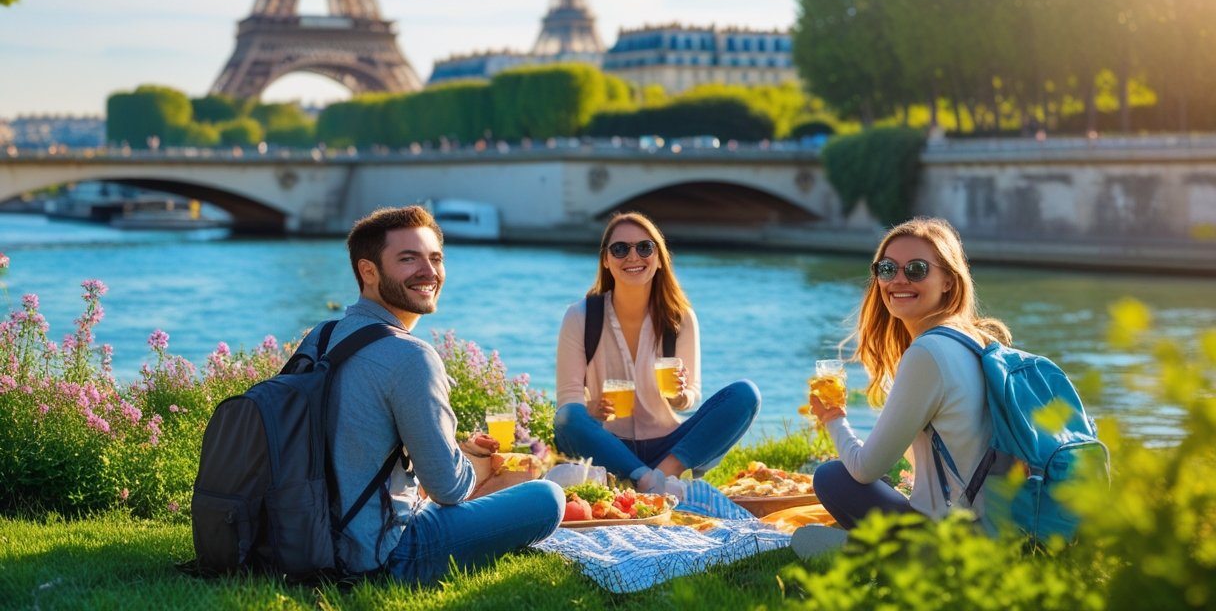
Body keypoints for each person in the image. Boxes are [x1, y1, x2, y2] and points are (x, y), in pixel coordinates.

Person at [295, 205, 563, 584]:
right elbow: (449, 490)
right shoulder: (411, 356)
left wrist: (452, 450)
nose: (429, 272)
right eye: (408, 259)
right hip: (386, 554)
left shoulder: (321, 336)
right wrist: (475, 466)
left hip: (308, 538)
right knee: (547, 498)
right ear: (368, 271)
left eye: (435, 258)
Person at [807, 216, 1011, 533]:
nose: (898, 280)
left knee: (832, 477)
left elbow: (864, 469)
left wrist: (832, 417)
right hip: (997, 523)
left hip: (955, 536)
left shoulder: (928, 352)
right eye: (887, 269)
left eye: (916, 269)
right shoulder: (974, 339)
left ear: (949, 281)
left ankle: (886, 554)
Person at [553, 211, 760, 496]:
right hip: (608, 444)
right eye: (620, 249)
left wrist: (680, 393)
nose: (633, 256)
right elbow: (569, 400)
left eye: (644, 247)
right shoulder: (580, 316)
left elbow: (689, 399)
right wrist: (591, 409)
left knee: (745, 394)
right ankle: (648, 480)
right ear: (606, 260)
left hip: (668, 446)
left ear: (659, 258)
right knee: (568, 418)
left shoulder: (681, 318)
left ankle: (660, 475)